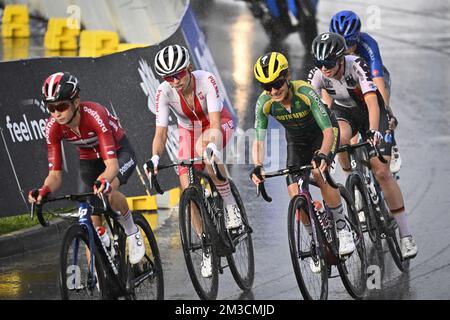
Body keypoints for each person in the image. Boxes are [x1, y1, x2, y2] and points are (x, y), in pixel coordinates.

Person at [308, 32, 417, 259]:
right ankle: (352, 178)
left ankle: (406, 236)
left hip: (371, 111)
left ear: (340, 58)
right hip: (345, 113)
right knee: (338, 139)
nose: (324, 69)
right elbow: (316, 113)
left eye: (328, 63)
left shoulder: (356, 64)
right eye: (320, 64)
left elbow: (371, 102)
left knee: (382, 171)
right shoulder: (318, 75)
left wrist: (374, 131)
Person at [28, 71, 145, 265]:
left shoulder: (94, 114)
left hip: (119, 154)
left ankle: (132, 231)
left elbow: (112, 166)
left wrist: (104, 181)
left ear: (75, 102)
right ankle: (102, 277)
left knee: (108, 190)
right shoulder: (52, 127)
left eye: (62, 106)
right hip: (89, 160)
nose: (56, 113)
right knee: (92, 223)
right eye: (50, 108)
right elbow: (55, 175)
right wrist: (44, 190)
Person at [249, 51, 356, 263]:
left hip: (323, 133)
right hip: (296, 141)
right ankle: (315, 240)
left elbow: (327, 131)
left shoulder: (305, 92)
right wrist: (257, 166)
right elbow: (259, 139)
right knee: (293, 190)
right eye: (266, 86)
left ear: (287, 76)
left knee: (319, 171)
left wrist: (323, 154)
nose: (273, 90)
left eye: (277, 83)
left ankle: (342, 227)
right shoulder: (265, 102)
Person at [145, 44, 240, 278]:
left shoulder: (206, 80)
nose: (174, 81)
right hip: (188, 130)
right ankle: (206, 243)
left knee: (205, 151)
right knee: (186, 187)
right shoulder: (164, 92)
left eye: (178, 74)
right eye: (168, 77)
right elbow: (161, 133)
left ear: (188, 68)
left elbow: (216, 124)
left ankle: (230, 204)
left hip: (216, 124)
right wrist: (155, 158)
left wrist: (210, 146)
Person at [329, 10, 401, 173]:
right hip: (349, 80)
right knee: (351, 133)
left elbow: (377, 80)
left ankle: (390, 138)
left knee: (379, 104)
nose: (346, 50)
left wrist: (386, 110)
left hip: (371, 76)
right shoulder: (329, 47)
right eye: (343, 45)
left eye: (350, 44)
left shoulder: (369, 44)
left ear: (357, 38)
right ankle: (357, 176)